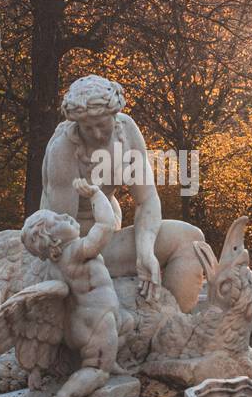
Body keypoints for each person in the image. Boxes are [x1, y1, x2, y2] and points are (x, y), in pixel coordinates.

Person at [40, 76, 206, 311]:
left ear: (114, 116)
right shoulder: (63, 149)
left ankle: (174, 331)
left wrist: (145, 250)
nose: (97, 134)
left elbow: (147, 199)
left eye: (102, 124)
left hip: (110, 234)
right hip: (81, 248)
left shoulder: (126, 131)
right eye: (88, 128)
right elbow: (63, 235)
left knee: (190, 239)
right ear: (77, 124)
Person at [20, 179, 120, 397]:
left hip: (77, 327)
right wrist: (96, 195)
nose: (66, 215)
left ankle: (111, 357)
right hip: (95, 324)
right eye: (59, 220)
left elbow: (43, 312)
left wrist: (36, 367)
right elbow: (106, 226)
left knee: (125, 325)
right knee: (97, 369)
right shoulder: (75, 251)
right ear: (51, 239)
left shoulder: (52, 268)